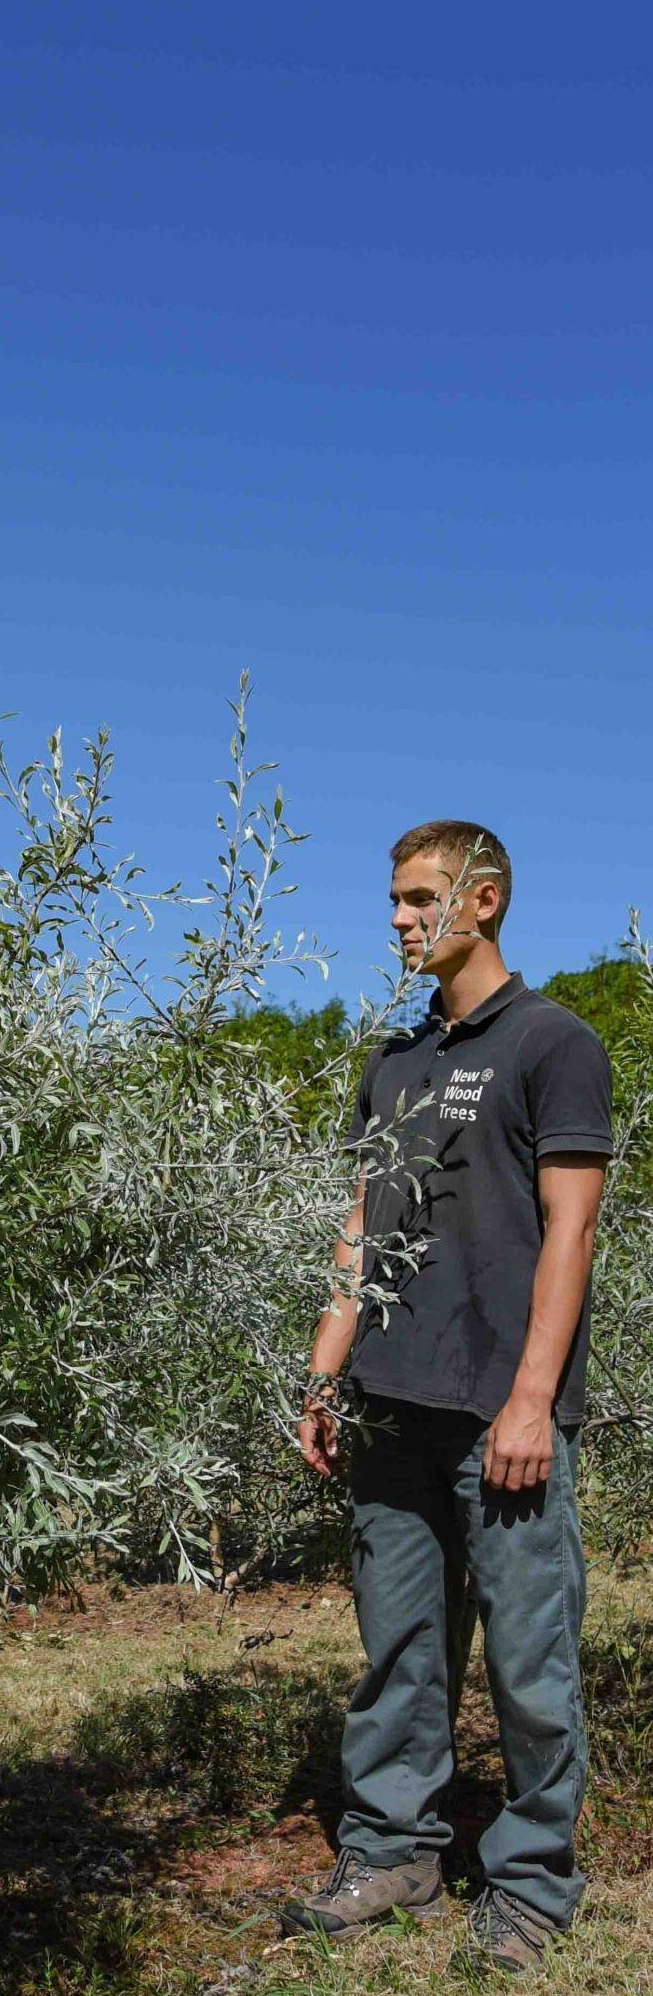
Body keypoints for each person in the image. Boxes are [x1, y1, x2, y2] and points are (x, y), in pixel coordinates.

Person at [278, 821, 612, 1976]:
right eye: (395, 898)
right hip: (387, 1402)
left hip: (501, 1413)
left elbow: (571, 1230)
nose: (399, 917)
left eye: (420, 897)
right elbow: (360, 1227)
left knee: (528, 1660)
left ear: (485, 899)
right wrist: (325, 1372)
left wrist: (531, 1400)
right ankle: (391, 1848)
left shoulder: (553, 1043)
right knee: (397, 1650)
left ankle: (529, 1882)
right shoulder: (393, 1058)